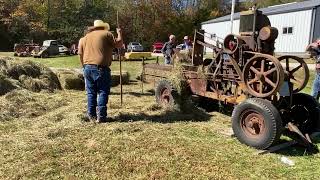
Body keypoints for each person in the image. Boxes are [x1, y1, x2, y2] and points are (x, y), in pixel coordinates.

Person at [78, 20, 123, 123]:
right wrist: (119, 32)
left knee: (91, 93)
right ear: (103, 27)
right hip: (101, 68)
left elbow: (80, 54)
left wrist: (84, 66)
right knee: (103, 91)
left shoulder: (83, 38)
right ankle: (101, 117)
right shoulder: (106, 34)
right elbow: (119, 44)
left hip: (87, 68)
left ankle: (91, 116)